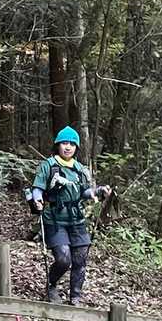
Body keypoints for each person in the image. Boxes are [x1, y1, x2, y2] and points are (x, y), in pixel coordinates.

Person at [28, 127, 110, 304]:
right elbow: (38, 188)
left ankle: (75, 297)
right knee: (64, 259)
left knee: (80, 258)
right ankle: (51, 285)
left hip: (76, 219)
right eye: (64, 143)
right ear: (58, 145)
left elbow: (84, 192)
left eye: (72, 144)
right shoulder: (49, 165)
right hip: (54, 218)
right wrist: (37, 199)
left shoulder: (80, 169)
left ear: (76, 147)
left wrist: (98, 191)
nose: (68, 147)